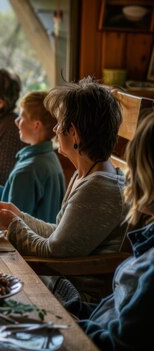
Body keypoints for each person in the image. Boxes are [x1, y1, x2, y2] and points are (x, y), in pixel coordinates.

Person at [0, 77, 127, 297]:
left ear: (74, 134)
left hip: (74, 296)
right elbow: (60, 237)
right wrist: (20, 216)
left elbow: (53, 252)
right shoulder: (87, 173)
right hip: (61, 280)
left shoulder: (98, 188)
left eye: (59, 122)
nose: (56, 129)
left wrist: (13, 225)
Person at [77, 113, 154, 350]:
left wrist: (53, 322)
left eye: (135, 165)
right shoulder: (149, 237)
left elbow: (115, 343)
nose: (128, 175)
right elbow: (110, 311)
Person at [0, 91, 66, 223]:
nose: (16, 121)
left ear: (36, 125)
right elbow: (22, 197)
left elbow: (12, 221)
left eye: (22, 116)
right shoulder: (50, 158)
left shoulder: (27, 170)